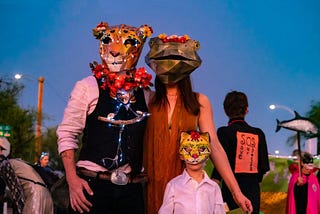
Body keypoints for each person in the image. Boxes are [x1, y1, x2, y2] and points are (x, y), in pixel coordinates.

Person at [144, 34, 253, 213]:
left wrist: (236, 192)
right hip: (150, 181)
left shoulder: (199, 101)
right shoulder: (149, 98)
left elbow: (214, 146)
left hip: (186, 183)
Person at [56, 22, 153, 213]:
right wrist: (72, 180)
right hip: (92, 186)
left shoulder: (147, 94)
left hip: (131, 190)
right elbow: (67, 133)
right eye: (107, 41)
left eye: (127, 42)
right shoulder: (87, 86)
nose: (115, 51)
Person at [211, 91, 270, 214]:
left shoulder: (224, 132)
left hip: (230, 191)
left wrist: (214, 181)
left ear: (225, 111)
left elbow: (220, 163)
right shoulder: (258, 133)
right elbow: (263, 167)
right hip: (253, 191)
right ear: (246, 110)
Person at [159, 131, 226, 214]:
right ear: (181, 155)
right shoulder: (173, 185)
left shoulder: (214, 188)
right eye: (188, 149)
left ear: (207, 156)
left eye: (201, 149)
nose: (195, 155)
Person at [0, 137, 54, 214]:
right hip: (47, 197)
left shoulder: (5, 165)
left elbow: (16, 191)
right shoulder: (18, 162)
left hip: (36, 197)